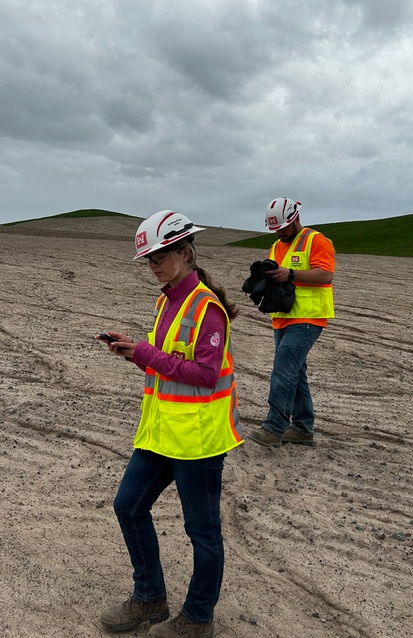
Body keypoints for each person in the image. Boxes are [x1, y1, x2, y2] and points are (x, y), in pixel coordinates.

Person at [98, 210, 243, 638]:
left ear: (184, 252)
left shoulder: (207, 308)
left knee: (202, 531)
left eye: (160, 256)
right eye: (149, 259)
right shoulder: (167, 299)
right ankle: (150, 598)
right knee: (128, 505)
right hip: (162, 431)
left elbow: (204, 373)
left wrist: (143, 353)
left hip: (197, 438)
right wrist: (133, 351)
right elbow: (167, 363)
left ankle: (198, 620)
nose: (153, 265)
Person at [248, 197, 335, 447]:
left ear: (294, 218)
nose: (280, 233)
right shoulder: (276, 245)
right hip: (283, 318)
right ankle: (303, 429)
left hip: (309, 317)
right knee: (295, 373)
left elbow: (326, 273)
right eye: (275, 229)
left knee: (283, 369)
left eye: (283, 228)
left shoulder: (315, 240)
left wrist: (291, 274)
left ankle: (274, 428)